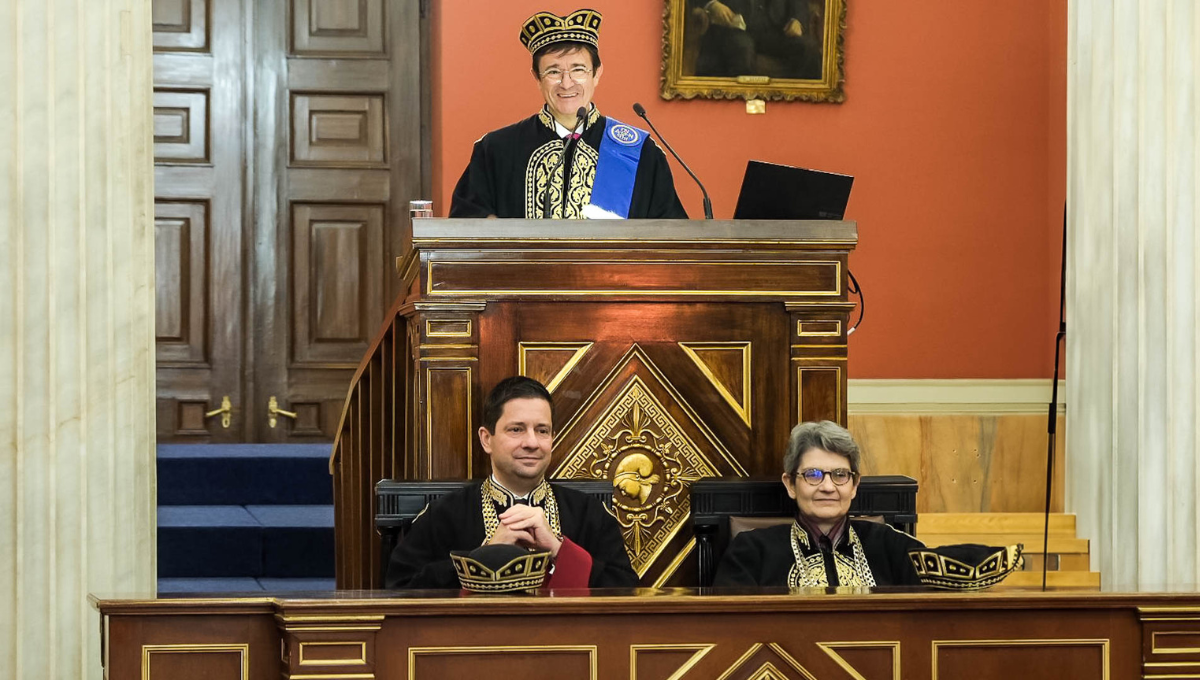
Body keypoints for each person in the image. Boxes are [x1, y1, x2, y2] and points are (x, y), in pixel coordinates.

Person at [385, 376, 639, 589]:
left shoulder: (590, 513)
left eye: (542, 430)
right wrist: (483, 558)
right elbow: (401, 591)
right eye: (516, 429)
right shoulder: (443, 515)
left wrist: (559, 550)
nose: (532, 442)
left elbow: (627, 594)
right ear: (486, 439)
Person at [449, 8, 688, 220]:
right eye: (553, 71)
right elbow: (467, 229)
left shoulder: (641, 154)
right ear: (537, 78)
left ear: (597, 73)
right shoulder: (496, 150)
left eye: (578, 69)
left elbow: (672, 239)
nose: (566, 83)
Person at [714, 420, 924, 587]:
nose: (827, 487)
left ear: (854, 485)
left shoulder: (896, 548)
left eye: (840, 474)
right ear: (791, 485)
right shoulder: (751, 552)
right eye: (812, 474)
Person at [693, 0, 823, 80]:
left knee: (808, 48)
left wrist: (797, 20)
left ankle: (803, 111)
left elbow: (799, 3)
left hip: (776, 30)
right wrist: (712, 3)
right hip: (733, 28)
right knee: (742, 49)